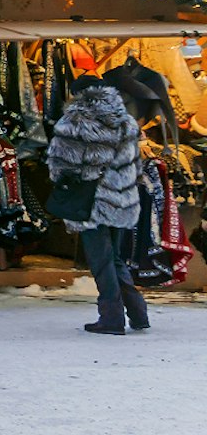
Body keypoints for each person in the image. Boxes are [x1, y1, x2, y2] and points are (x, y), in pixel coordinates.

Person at [46, 75, 149, 335]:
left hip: (91, 202)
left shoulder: (75, 121)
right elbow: (136, 164)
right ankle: (138, 313)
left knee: (102, 262)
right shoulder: (125, 119)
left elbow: (60, 163)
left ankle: (111, 318)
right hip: (122, 199)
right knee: (114, 258)